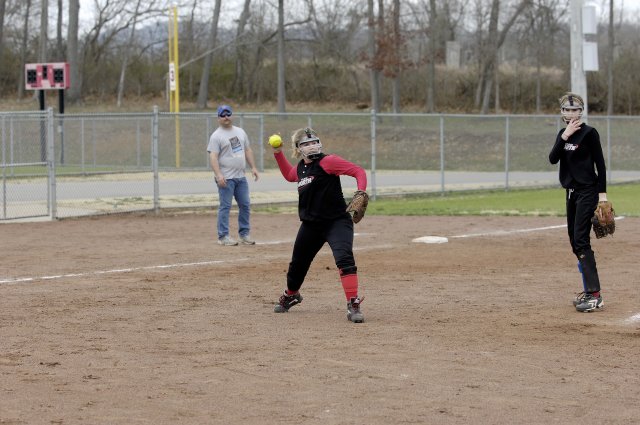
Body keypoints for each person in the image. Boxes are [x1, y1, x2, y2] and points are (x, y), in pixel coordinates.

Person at [269, 127, 368, 323]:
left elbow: (358, 171)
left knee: (344, 258)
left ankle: (353, 303)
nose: (312, 146)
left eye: (314, 142)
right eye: (306, 143)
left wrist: (361, 191)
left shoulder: (328, 161)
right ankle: (291, 294)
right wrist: (278, 153)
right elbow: (289, 175)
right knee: (297, 264)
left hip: (336, 221)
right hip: (311, 225)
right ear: (298, 148)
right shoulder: (301, 168)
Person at [549, 92, 608, 312]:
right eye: (567, 109)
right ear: (562, 112)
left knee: (581, 240)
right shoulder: (562, 134)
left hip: (588, 191)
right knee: (575, 241)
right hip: (571, 193)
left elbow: (600, 165)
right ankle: (589, 292)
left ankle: (595, 295)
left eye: (575, 110)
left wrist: (602, 196)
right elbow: (552, 159)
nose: (571, 113)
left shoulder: (589, 133)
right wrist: (565, 136)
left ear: (581, 112)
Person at [207, 104, 259, 246]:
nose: (226, 117)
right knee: (225, 206)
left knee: (245, 205)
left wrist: (253, 167)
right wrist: (219, 175)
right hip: (226, 178)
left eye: (228, 114)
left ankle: (244, 235)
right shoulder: (216, 136)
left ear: (232, 115)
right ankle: (223, 236)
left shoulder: (240, 132)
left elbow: (247, 150)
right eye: (222, 115)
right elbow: (213, 157)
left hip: (240, 177)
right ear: (218, 118)